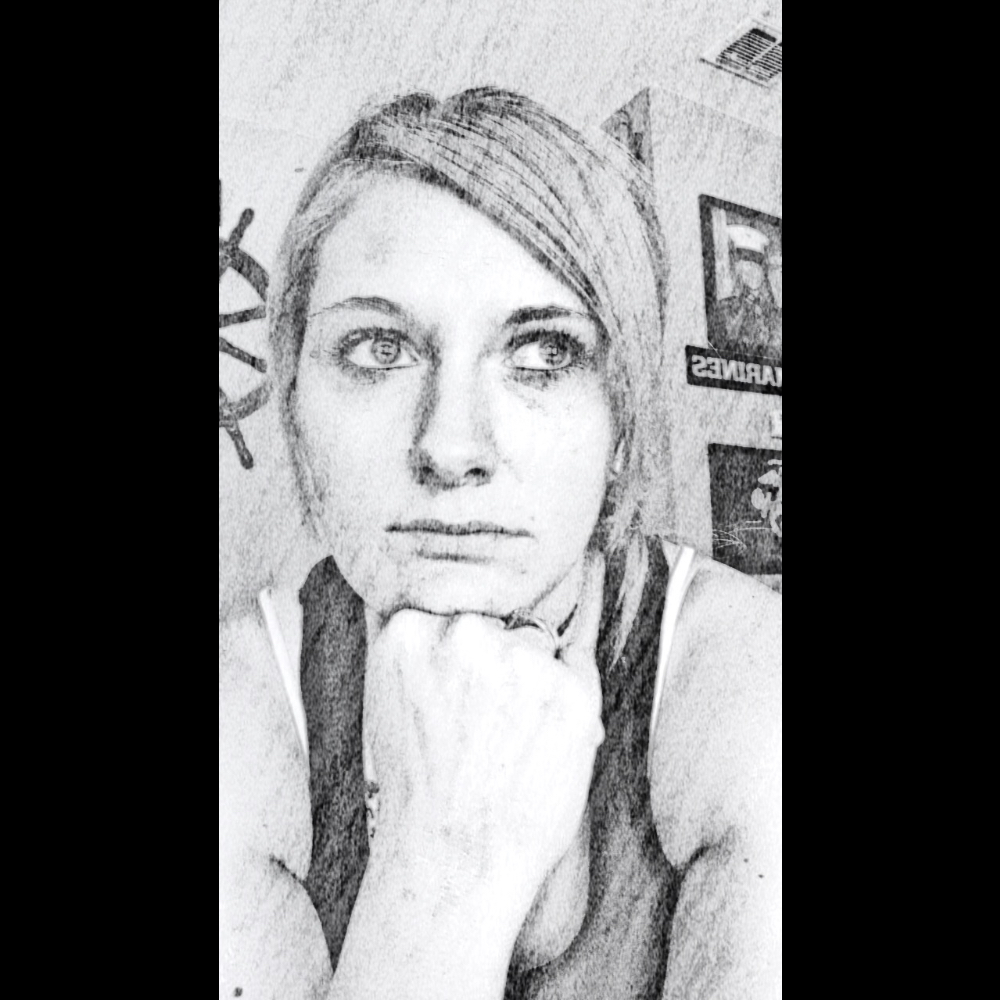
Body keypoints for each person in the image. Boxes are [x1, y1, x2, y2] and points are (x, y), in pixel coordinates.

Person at [219, 88, 781, 1000]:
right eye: (377, 348)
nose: (450, 446)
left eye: (544, 354)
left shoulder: (751, 681)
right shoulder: (240, 715)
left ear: (622, 427)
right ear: (294, 410)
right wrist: (442, 882)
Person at [709, 223, 782, 358]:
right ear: (738, 271)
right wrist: (744, 310)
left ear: (763, 271)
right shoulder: (724, 308)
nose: (752, 273)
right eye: (746, 267)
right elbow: (722, 343)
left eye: (756, 266)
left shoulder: (776, 313)